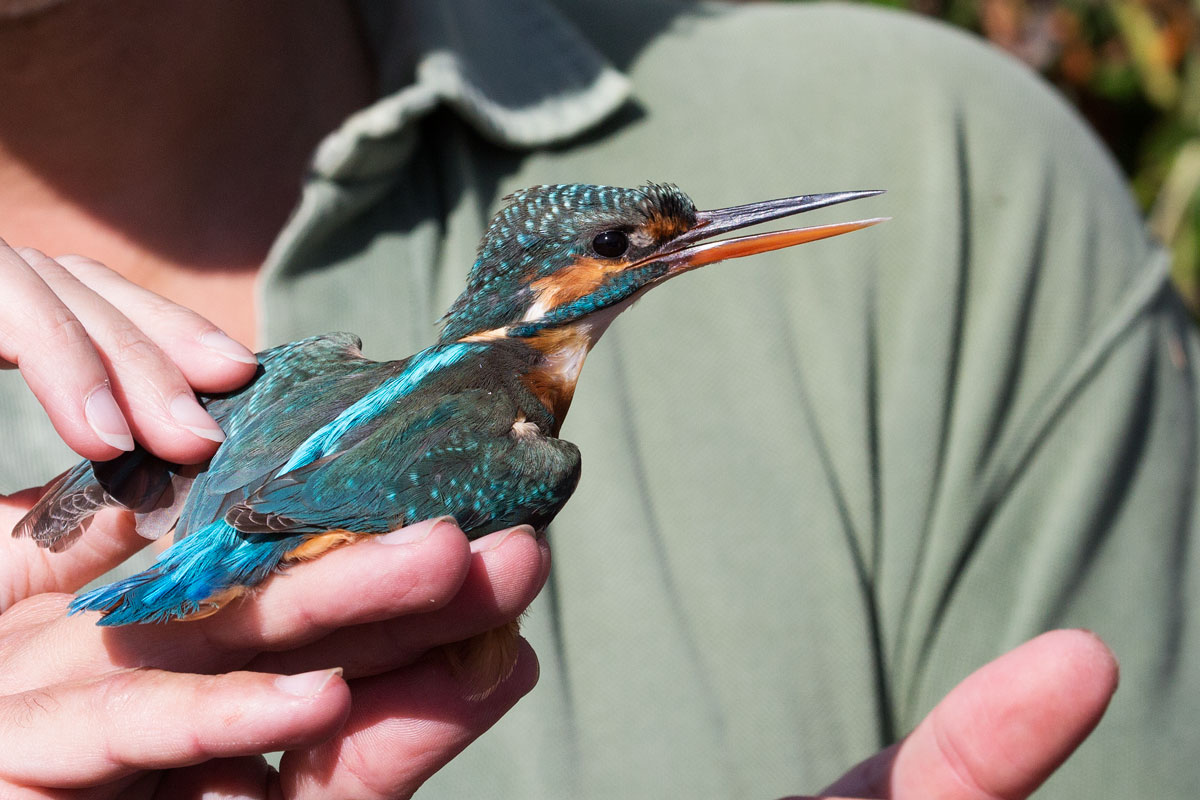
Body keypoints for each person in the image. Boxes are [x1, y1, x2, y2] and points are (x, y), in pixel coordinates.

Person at [0, 0, 1193, 797]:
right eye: (635, 244)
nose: (676, 249)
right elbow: (291, 507)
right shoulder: (530, 450)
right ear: (551, 284)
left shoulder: (316, 357)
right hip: (241, 544)